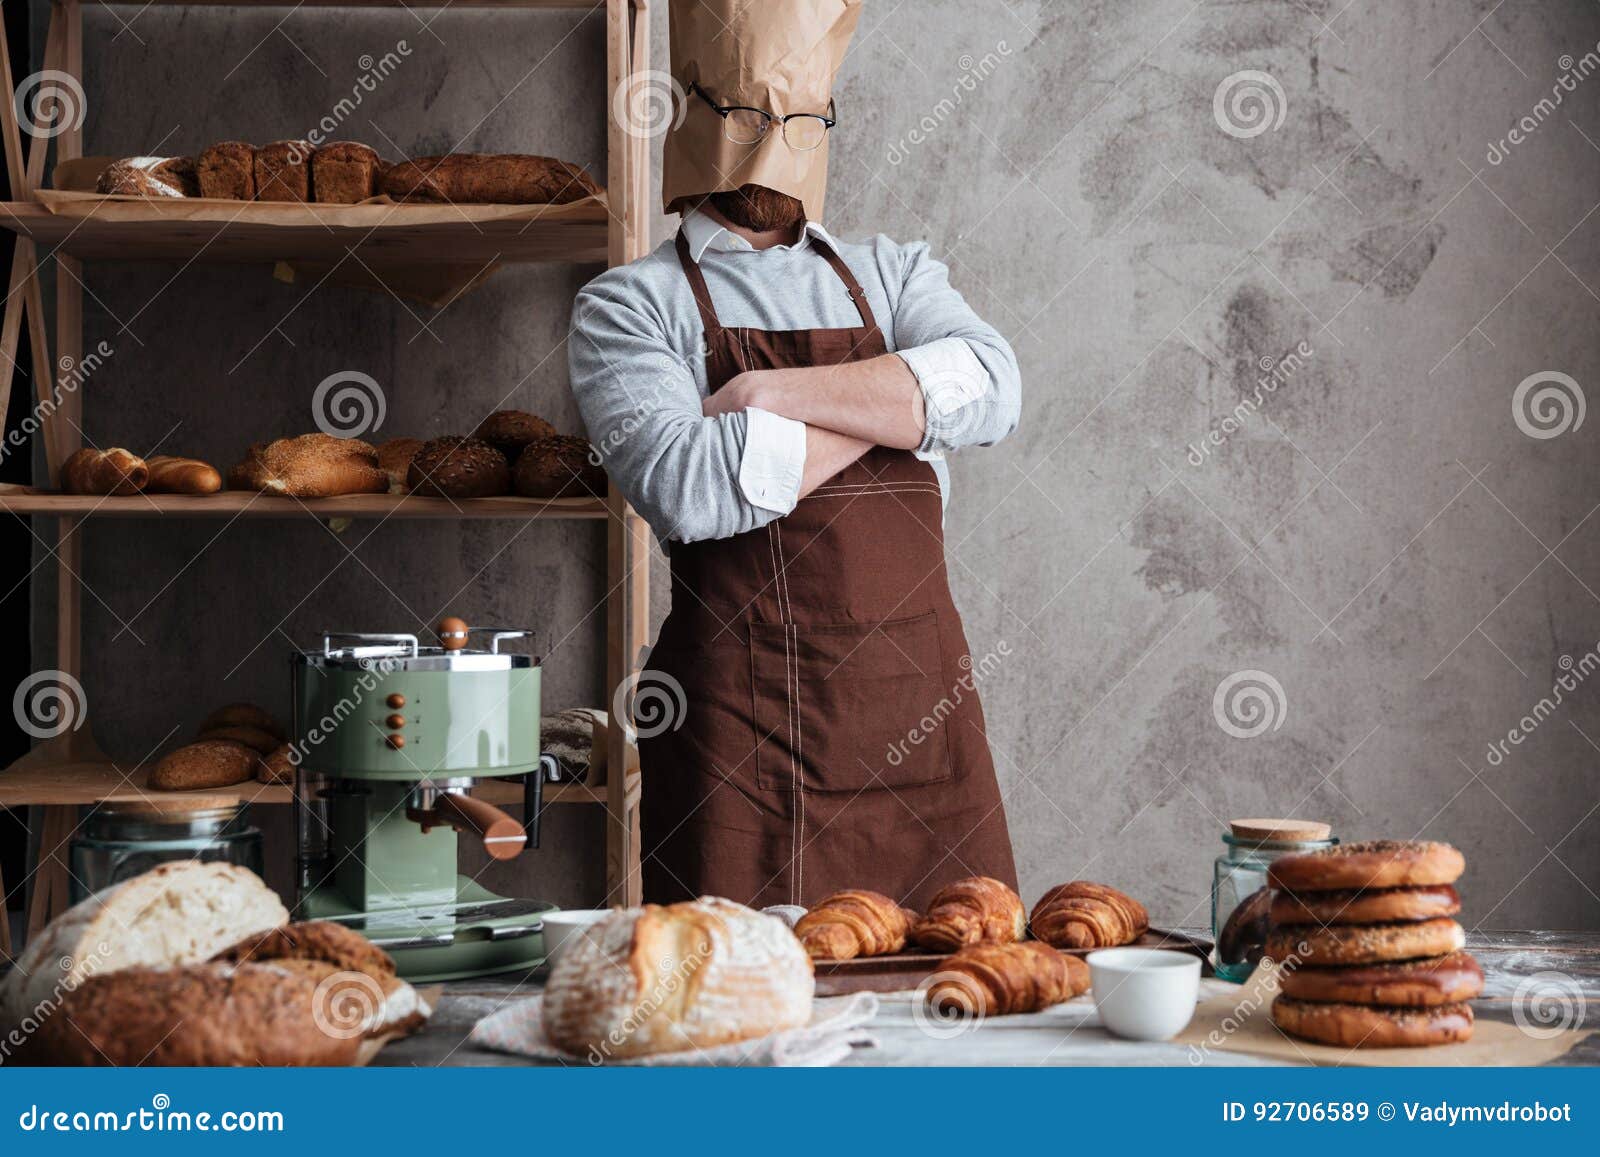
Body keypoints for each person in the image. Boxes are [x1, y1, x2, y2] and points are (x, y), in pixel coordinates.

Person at [570, 0, 1019, 910]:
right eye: (745, 115)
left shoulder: (893, 270)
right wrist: (896, 404)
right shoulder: (630, 305)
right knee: (738, 1017)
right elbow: (689, 486)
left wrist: (768, 395)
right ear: (692, 119)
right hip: (741, 740)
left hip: (922, 725)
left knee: (953, 1008)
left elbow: (994, 388)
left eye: (804, 118)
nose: (777, 140)